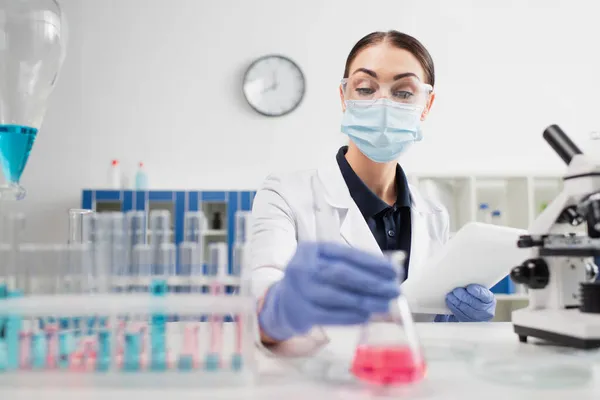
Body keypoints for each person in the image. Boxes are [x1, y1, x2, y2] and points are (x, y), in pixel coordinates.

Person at [249, 30, 496, 349]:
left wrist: (453, 322)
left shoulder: (433, 214)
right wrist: (281, 307)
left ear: (426, 105)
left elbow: (422, 325)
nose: (382, 103)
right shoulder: (284, 194)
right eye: (365, 88)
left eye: (404, 93)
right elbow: (259, 304)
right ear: (343, 97)